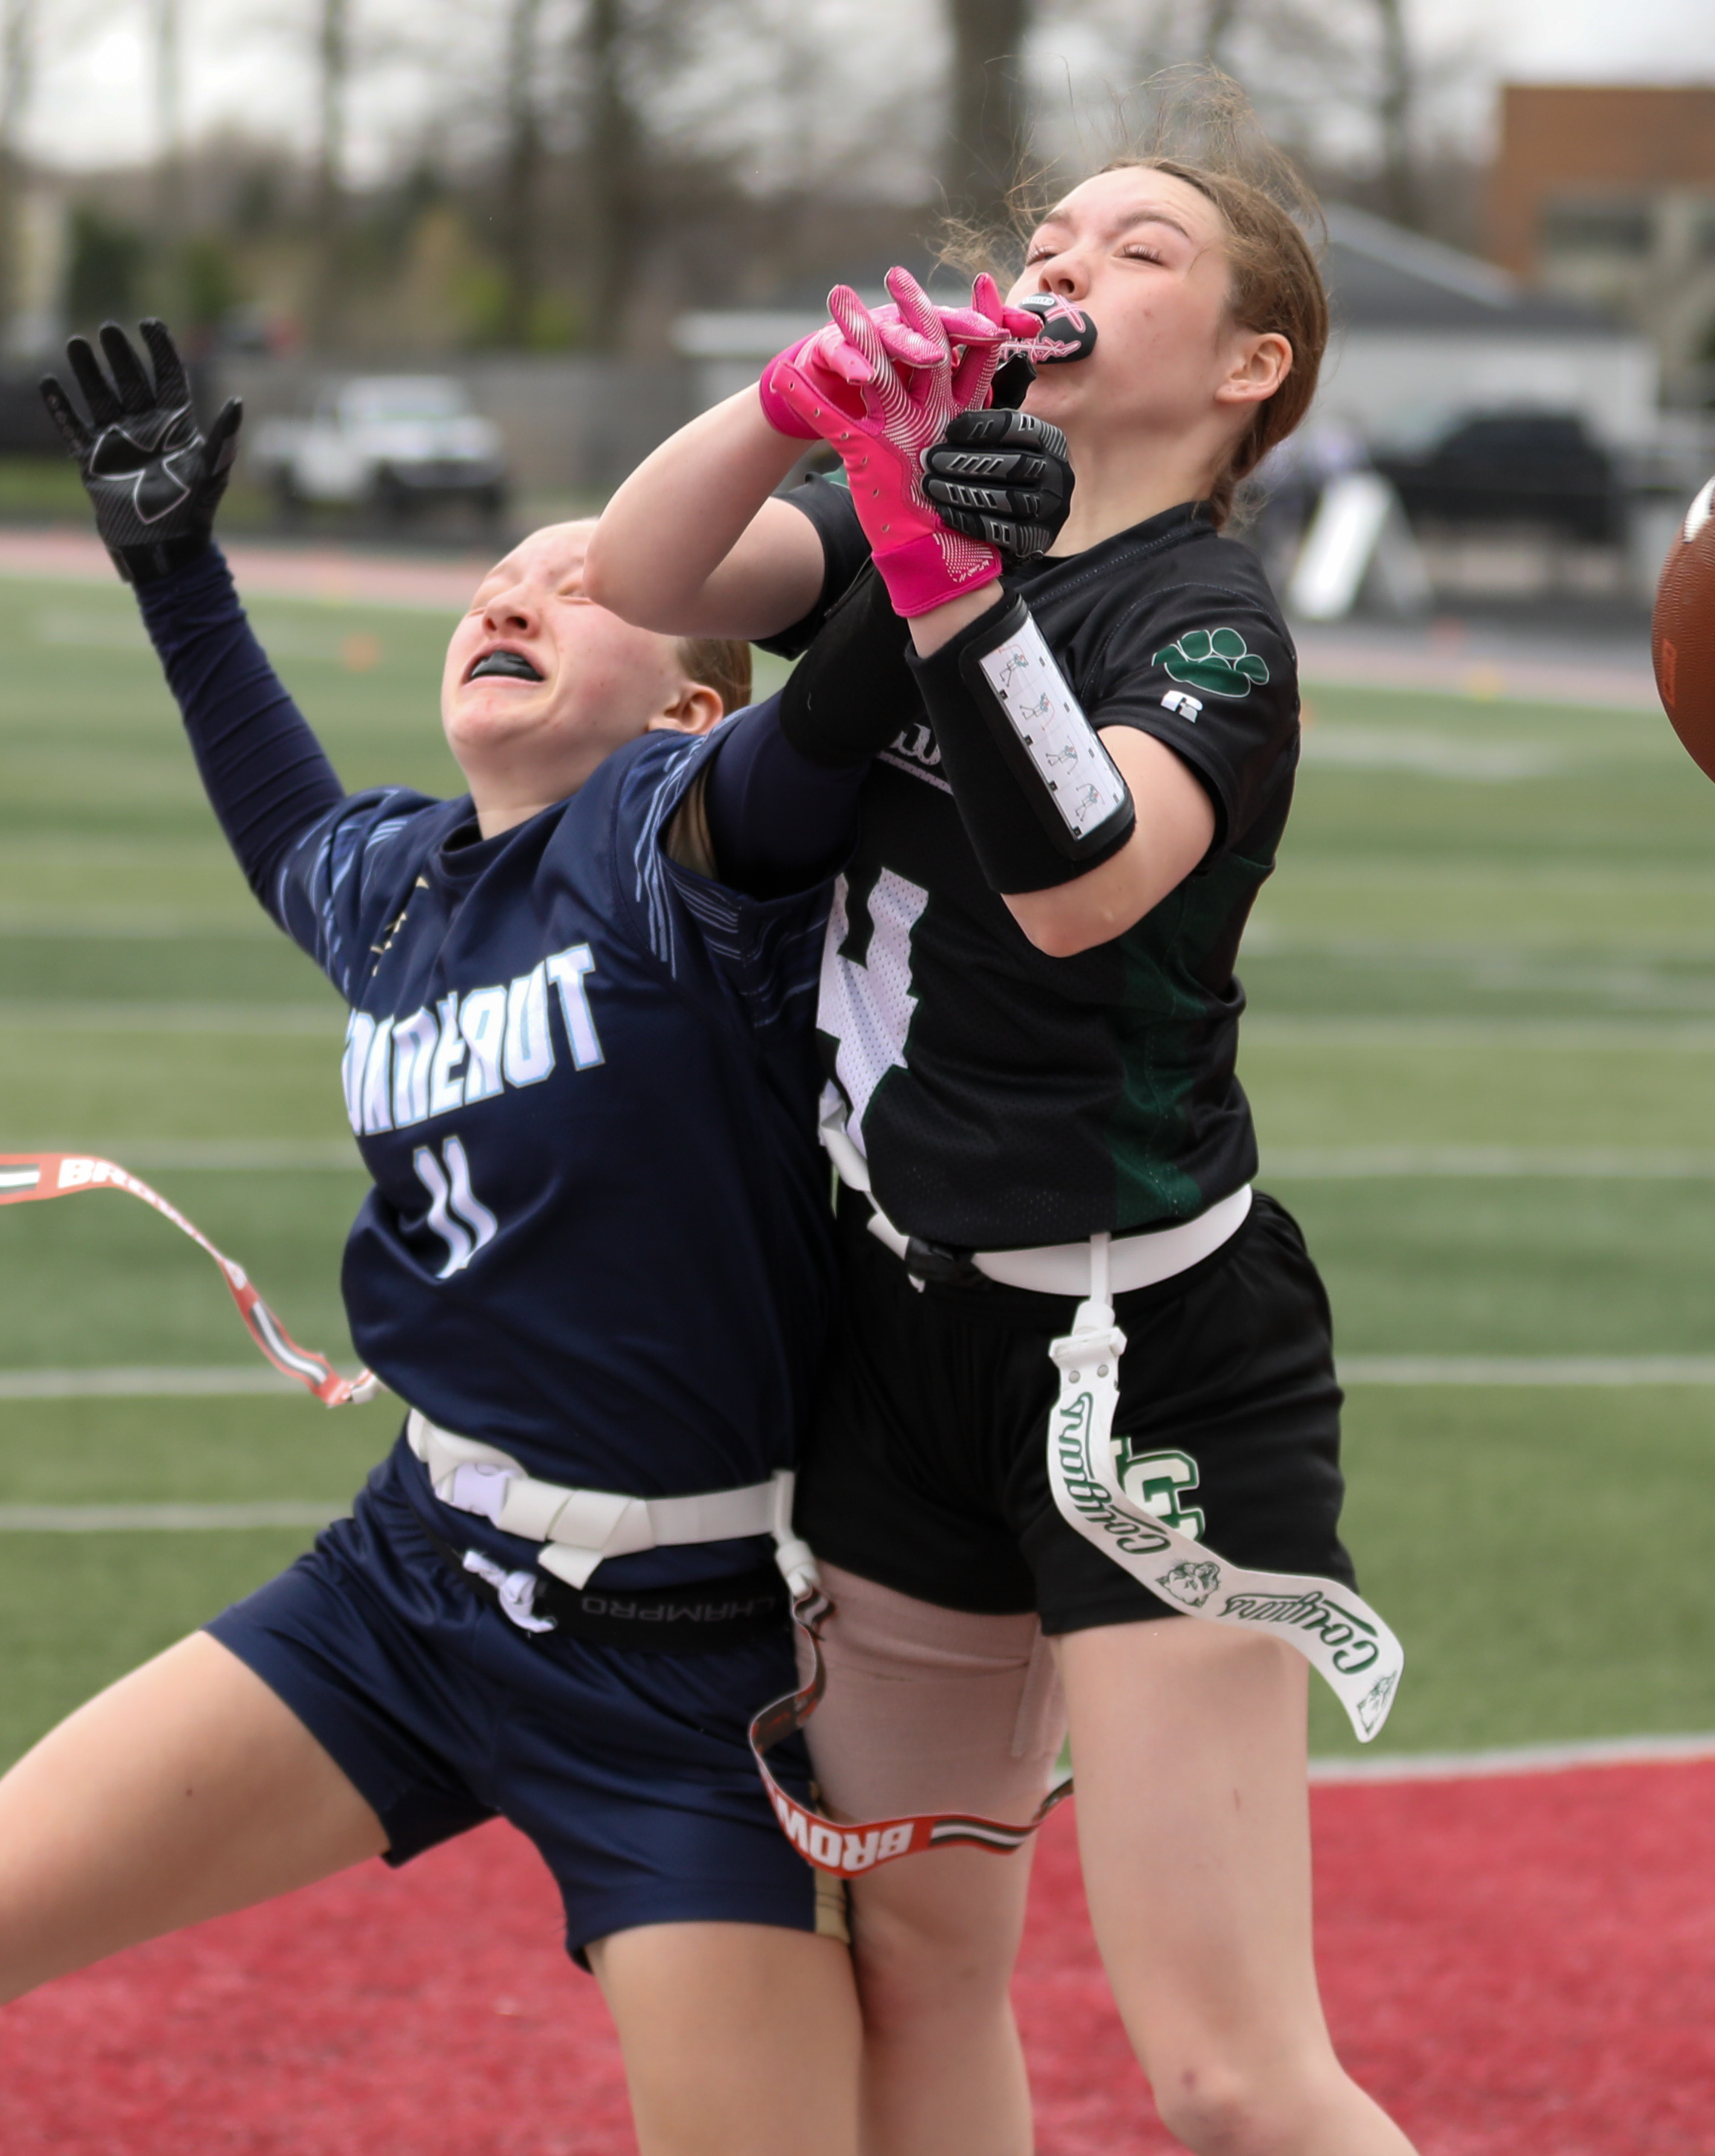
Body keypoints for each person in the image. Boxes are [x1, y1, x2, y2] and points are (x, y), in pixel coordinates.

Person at [0, 321, 887, 2156]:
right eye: (494, 582)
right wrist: (175, 572)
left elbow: (834, 725)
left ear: (688, 707)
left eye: (576, 587)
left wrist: (936, 514)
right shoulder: (411, 882)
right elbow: (285, 823)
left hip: (688, 1672)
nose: (509, 595)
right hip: (412, 1588)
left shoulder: (697, 854)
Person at [590, 124, 1418, 2156]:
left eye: (1137, 249)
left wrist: (959, 591)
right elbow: (644, 578)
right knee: (913, 1966)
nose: (1063, 262)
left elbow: (1076, 883)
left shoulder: (1213, 617)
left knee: (1228, 2084)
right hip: (903, 1339)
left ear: (1249, 368)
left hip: (1142, 1360)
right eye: (1046, 236)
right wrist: (806, 410)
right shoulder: (924, 516)